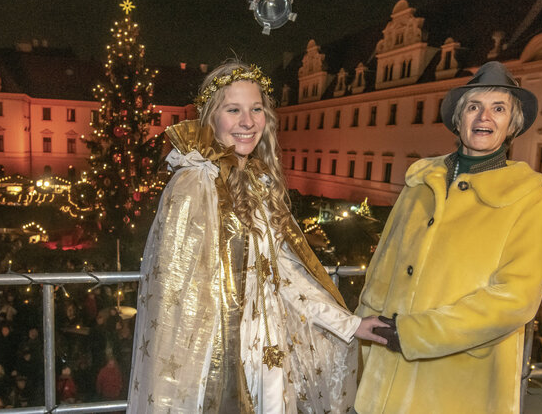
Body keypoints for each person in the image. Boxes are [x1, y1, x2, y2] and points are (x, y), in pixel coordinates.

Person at [128, 60, 386, 413]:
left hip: (268, 357)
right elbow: (176, 302)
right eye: (233, 110)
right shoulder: (195, 183)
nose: (248, 122)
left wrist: (351, 325)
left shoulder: (258, 181)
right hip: (220, 365)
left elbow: (287, 278)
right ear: (211, 118)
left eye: (256, 109)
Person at [354, 61, 542, 414]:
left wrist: (416, 334)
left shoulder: (530, 199)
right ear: (459, 118)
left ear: (513, 125)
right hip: (383, 362)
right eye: (474, 106)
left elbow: (515, 299)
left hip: (457, 380)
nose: (484, 118)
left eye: (499, 109)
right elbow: (383, 264)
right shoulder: (420, 181)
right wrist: (362, 325)